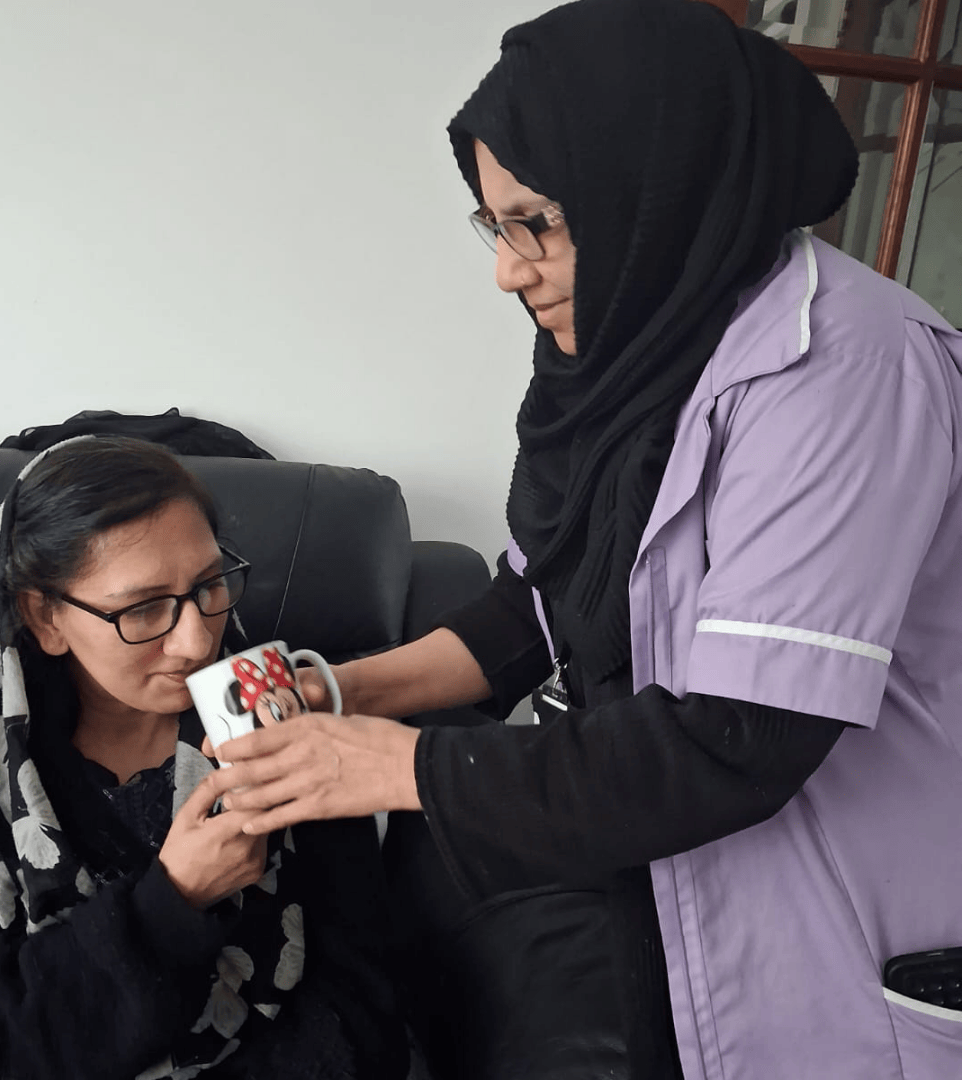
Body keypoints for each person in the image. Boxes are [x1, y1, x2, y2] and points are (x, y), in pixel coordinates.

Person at [201, 1, 962, 1077]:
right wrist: (344, 694)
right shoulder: (635, 352)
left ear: (655, 184)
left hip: (841, 919)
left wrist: (401, 766)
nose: (508, 270)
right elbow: (535, 607)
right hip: (675, 879)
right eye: (494, 225)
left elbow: (736, 741)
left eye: (538, 223)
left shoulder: (847, 372)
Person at [0, 436, 407, 1080]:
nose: (197, 641)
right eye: (143, 609)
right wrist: (173, 902)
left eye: (209, 584)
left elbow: (361, 1007)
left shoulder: (280, 723)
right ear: (46, 617)